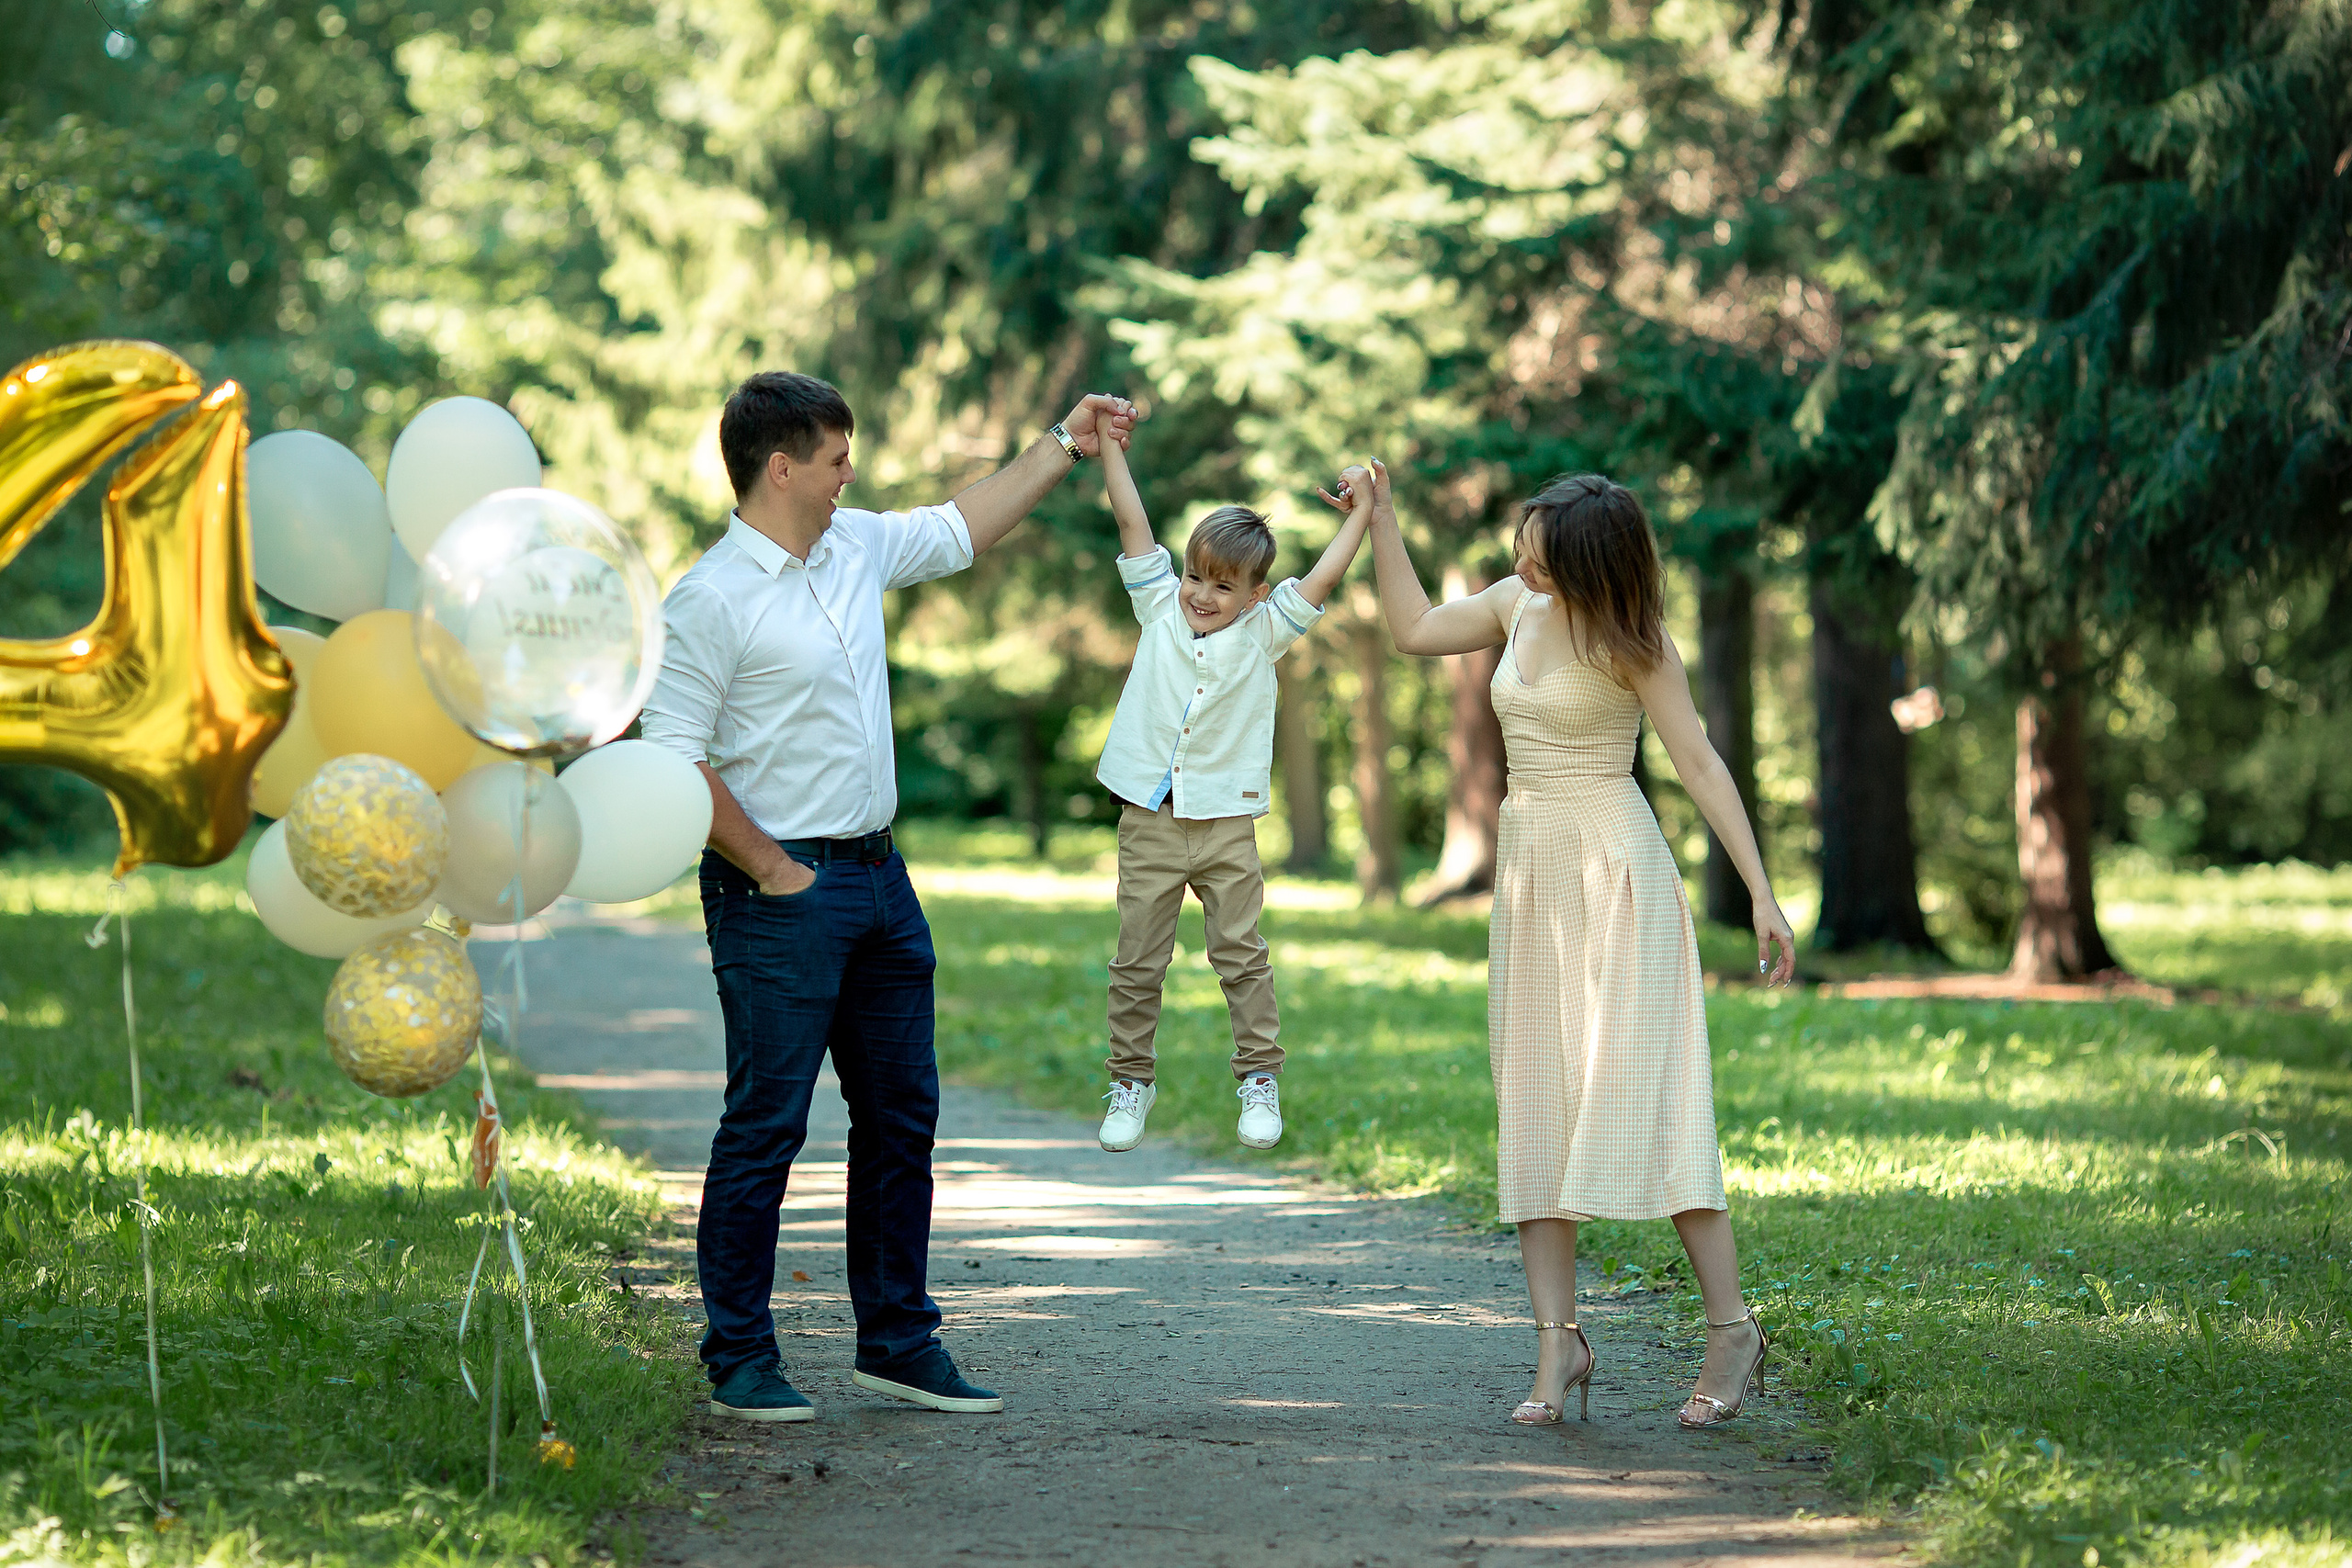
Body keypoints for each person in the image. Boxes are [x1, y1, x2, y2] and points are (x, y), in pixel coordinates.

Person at [641, 370, 1138, 1422]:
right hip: (775, 891)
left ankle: (898, 1344)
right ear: (781, 468)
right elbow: (671, 758)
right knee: (766, 1126)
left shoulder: (855, 544)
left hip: (879, 876)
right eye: (833, 458)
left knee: (902, 1117)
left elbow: (963, 526)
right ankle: (738, 1356)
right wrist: (774, 869)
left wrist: (1067, 441)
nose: (847, 474)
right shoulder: (709, 597)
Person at [1352, 461, 1797, 1430]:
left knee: (1653, 1098)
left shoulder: (1638, 646)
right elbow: (1415, 628)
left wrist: (1762, 892)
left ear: (1593, 565)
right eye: (1523, 545)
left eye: (1542, 553)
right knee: (1538, 1105)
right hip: (1531, 884)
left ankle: (1732, 1331)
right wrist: (1382, 518)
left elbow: (1701, 766)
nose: (1523, 562)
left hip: (1616, 877)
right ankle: (1558, 1342)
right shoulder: (1516, 604)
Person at [1090, 443, 1375, 1154]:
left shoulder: (1264, 633)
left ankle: (1259, 1078)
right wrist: (1114, 453)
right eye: (1195, 576)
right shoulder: (1157, 606)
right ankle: (1131, 1081)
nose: (1201, 594)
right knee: (1137, 960)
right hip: (1148, 817)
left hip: (1225, 824)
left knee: (1241, 955)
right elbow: (1132, 522)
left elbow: (1323, 577)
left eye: (1222, 586)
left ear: (1252, 595)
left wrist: (1363, 513)